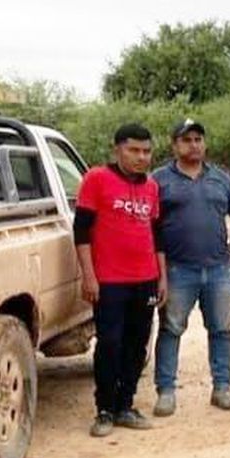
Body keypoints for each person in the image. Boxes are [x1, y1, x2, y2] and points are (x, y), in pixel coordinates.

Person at [76, 123, 167, 437]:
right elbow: (81, 231)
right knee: (110, 344)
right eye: (134, 150)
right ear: (118, 149)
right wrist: (89, 275)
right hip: (109, 281)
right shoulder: (97, 179)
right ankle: (104, 409)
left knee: (137, 345)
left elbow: (156, 234)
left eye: (146, 151)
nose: (141, 157)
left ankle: (125, 405)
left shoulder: (151, 187)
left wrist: (162, 277)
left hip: (145, 279)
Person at [151, 119, 230, 416]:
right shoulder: (159, 180)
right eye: (187, 139)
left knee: (221, 330)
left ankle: (222, 388)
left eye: (198, 139)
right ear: (175, 145)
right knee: (171, 329)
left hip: (218, 269)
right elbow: (150, 227)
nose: (194, 144)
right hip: (178, 270)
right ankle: (166, 391)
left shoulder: (221, 178)